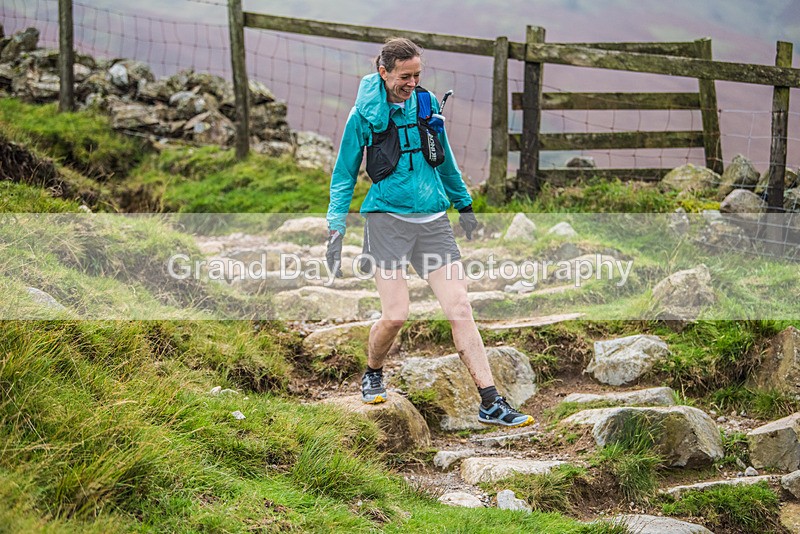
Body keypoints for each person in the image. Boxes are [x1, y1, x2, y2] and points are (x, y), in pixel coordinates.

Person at [325, 37, 533, 428]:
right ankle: (372, 372)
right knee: (396, 315)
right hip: (387, 221)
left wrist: (464, 203)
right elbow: (343, 174)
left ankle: (490, 401)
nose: (412, 82)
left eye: (418, 75)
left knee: (460, 308)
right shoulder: (362, 116)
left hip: (434, 221)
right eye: (405, 76)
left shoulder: (426, 105)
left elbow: (445, 160)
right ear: (383, 72)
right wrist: (335, 227)